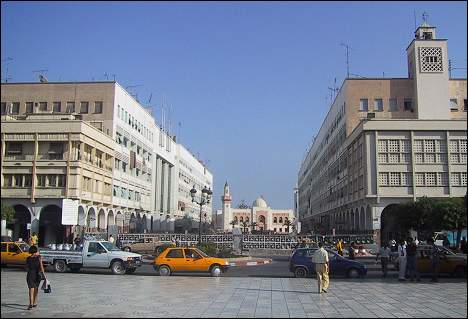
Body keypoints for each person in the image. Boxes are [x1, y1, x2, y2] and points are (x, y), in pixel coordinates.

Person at [26, 245, 46, 310]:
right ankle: (34, 303)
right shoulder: (39, 257)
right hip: (37, 275)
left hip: (30, 275)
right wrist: (44, 275)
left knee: (31, 290)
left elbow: (26, 268)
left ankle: (31, 304)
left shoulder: (28, 258)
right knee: (36, 289)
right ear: (36, 251)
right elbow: (41, 267)